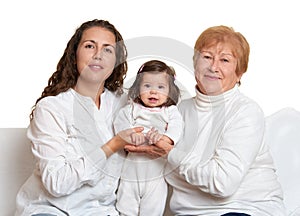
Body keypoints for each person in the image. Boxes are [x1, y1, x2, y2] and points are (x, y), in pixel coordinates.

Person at [126, 25, 287, 215]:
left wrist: (170, 152)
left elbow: (222, 183)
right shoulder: (177, 111)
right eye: (207, 57)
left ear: (239, 72)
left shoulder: (245, 112)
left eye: (225, 60)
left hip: (244, 209)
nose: (213, 67)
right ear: (195, 63)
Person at [15, 19, 143, 216]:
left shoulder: (125, 104)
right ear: (74, 54)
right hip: (52, 209)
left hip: (101, 211)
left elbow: (166, 110)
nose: (98, 55)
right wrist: (112, 145)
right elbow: (56, 183)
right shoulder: (52, 108)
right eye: (90, 46)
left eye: (108, 49)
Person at [114, 60, 184, 216]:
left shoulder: (170, 111)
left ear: (170, 91)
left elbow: (177, 127)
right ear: (138, 88)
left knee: (153, 207)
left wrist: (165, 138)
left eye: (160, 87)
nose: (153, 92)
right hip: (131, 170)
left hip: (156, 171)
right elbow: (120, 123)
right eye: (147, 86)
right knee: (125, 204)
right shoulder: (131, 109)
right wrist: (131, 135)